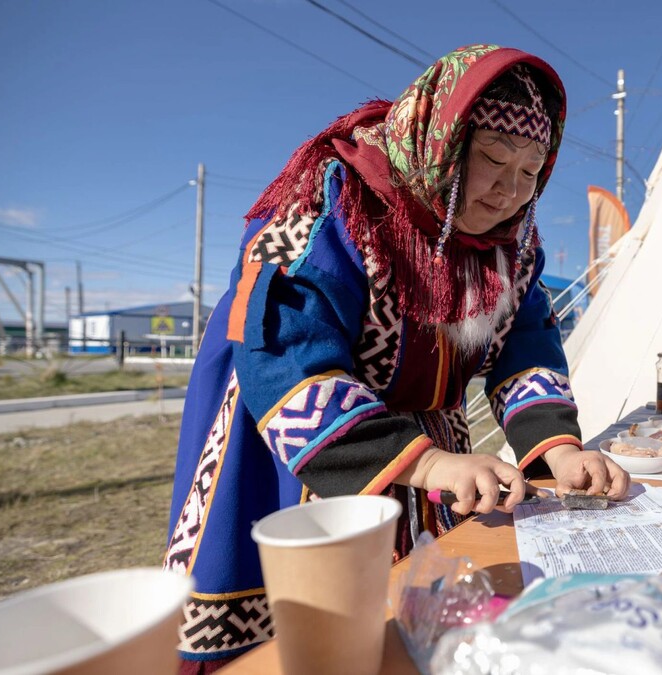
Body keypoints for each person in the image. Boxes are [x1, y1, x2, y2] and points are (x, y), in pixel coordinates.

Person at [162, 45, 630, 670]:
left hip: (426, 438)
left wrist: (558, 448)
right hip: (295, 430)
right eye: (492, 159)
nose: (509, 191)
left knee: (414, 620)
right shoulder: (338, 199)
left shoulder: (511, 245)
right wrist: (430, 463)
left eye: (531, 172)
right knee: (298, 637)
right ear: (444, 144)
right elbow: (284, 344)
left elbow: (527, 343)